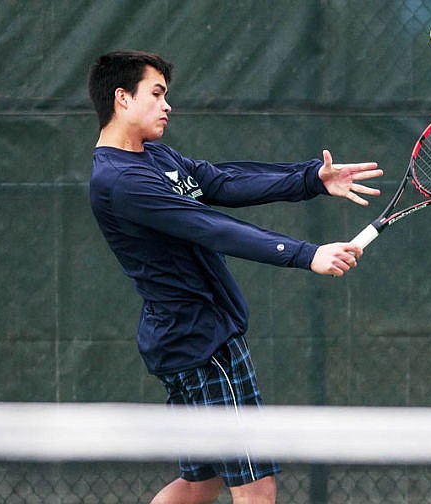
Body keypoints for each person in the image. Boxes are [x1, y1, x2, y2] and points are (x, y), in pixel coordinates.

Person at [87, 50, 382, 504]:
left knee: (201, 482)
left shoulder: (153, 157)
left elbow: (220, 182)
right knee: (256, 488)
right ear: (122, 98)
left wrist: (310, 179)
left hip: (181, 339)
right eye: (157, 93)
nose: (168, 105)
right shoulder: (122, 180)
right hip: (204, 344)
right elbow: (210, 226)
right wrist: (307, 254)